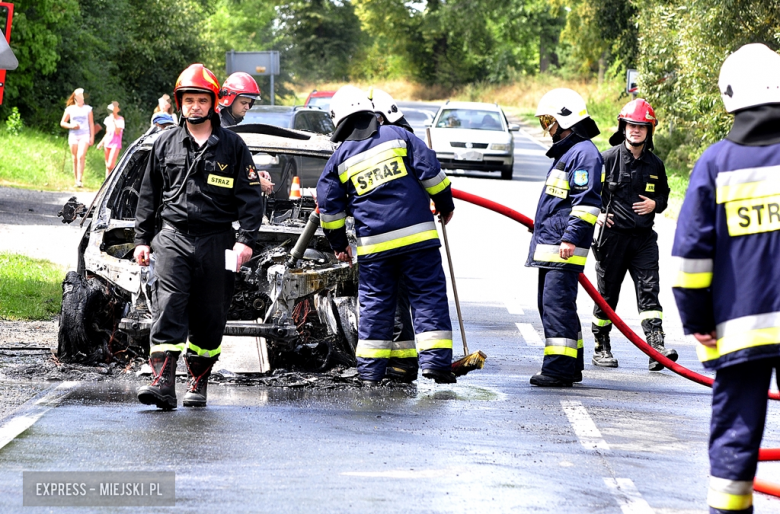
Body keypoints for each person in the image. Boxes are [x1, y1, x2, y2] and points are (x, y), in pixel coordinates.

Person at [672, 43, 780, 514]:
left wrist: (699, 320)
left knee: (735, 439)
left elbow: (691, 260)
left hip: (740, 331)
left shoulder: (716, 164)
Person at [133, 63, 273, 410]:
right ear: (179, 103)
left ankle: (198, 381)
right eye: (187, 100)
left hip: (218, 242)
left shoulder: (233, 147)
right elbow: (148, 195)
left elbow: (250, 198)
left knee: (211, 315)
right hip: (172, 239)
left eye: (200, 100)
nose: (194, 106)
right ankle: (162, 383)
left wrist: (246, 240)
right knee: (169, 307)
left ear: (213, 103)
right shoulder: (164, 144)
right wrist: (141, 239)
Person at [317, 85, 456, 385]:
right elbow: (432, 173)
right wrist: (446, 206)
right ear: (370, 113)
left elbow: (329, 208)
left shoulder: (339, 158)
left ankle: (370, 373)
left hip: (374, 249)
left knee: (376, 305)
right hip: (419, 241)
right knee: (428, 296)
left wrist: (339, 245)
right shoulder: (401, 137)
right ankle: (437, 365)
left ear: (339, 121)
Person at [591, 99, 678, 370]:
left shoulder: (656, 164)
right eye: (631, 125)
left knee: (650, 293)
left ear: (649, 130)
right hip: (613, 239)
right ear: (623, 127)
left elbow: (663, 195)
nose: (635, 130)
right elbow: (586, 194)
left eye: (641, 126)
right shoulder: (606, 159)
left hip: (643, 241)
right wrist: (599, 214)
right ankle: (601, 344)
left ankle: (656, 348)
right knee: (607, 296)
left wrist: (655, 204)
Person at [528, 88, 603, 387]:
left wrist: (570, 237)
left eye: (549, 120)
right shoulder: (571, 152)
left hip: (563, 246)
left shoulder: (583, 154)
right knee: (556, 306)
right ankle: (572, 365)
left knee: (556, 307)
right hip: (553, 242)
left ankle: (558, 369)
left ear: (564, 118)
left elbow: (586, 203)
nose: (547, 128)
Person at [367, 87, 418, 383]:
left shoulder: (395, 141)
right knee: (395, 300)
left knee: (394, 299)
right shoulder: (405, 139)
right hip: (403, 234)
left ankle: (400, 366)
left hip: (394, 237)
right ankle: (399, 363)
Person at [59, 88, 94, 187]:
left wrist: (92, 137)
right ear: (75, 97)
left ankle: (80, 179)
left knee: (81, 156)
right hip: (73, 135)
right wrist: (71, 125)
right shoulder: (70, 109)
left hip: (84, 135)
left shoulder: (88, 109)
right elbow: (62, 122)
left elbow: (91, 123)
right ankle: (76, 180)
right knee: (74, 157)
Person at [96, 101, 125, 177]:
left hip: (116, 143)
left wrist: (114, 121)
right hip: (108, 142)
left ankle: (116, 176)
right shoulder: (107, 119)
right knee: (107, 165)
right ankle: (107, 182)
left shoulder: (120, 119)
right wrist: (101, 143)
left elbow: (117, 131)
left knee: (110, 165)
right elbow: (107, 133)